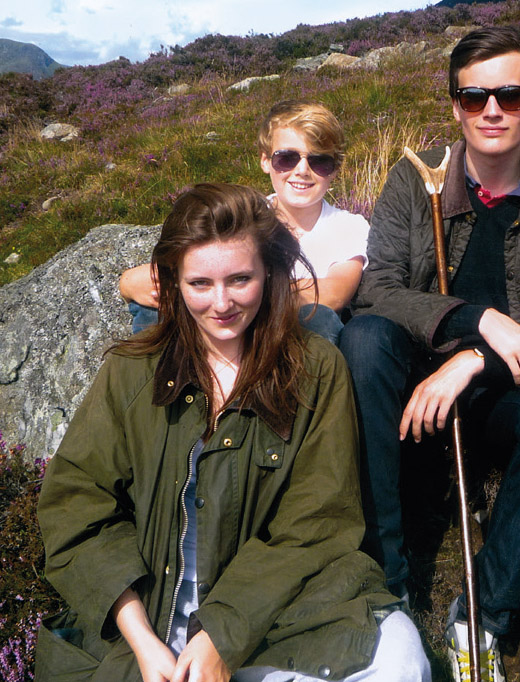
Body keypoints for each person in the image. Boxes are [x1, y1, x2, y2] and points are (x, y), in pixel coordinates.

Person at [37, 183, 429, 682]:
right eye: (200, 283)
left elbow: (318, 522)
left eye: (240, 279)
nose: (221, 303)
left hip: (280, 617)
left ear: (269, 272)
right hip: (147, 625)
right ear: (172, 282)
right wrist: (141, 639)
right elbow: (76, 506)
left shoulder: (316, 368)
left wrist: (222, 633)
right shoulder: (129, 372)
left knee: (401, 660)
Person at [338, 25, 520, 682]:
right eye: (473, 96)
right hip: (416, 396)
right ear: (456, 105)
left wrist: (475, 359)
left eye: (509, 95)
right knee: (365, 341)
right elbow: (378, 290)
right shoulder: (415, 179)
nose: (491, 111)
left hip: (502, 396)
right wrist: (476, 318)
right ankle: (387, 583)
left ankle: (487, 612)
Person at [119, 100, 368, 345]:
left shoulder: (349, 227)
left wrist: (242, 293)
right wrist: (128, 282)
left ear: (335, 170)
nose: (302, 170)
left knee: (316, 317)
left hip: (282, 340)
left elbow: (332, 295)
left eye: (319, 161)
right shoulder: (243, 213)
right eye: (287, 158)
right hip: (228, 326)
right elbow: (145, 279)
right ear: (264, 161)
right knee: (155, 309)